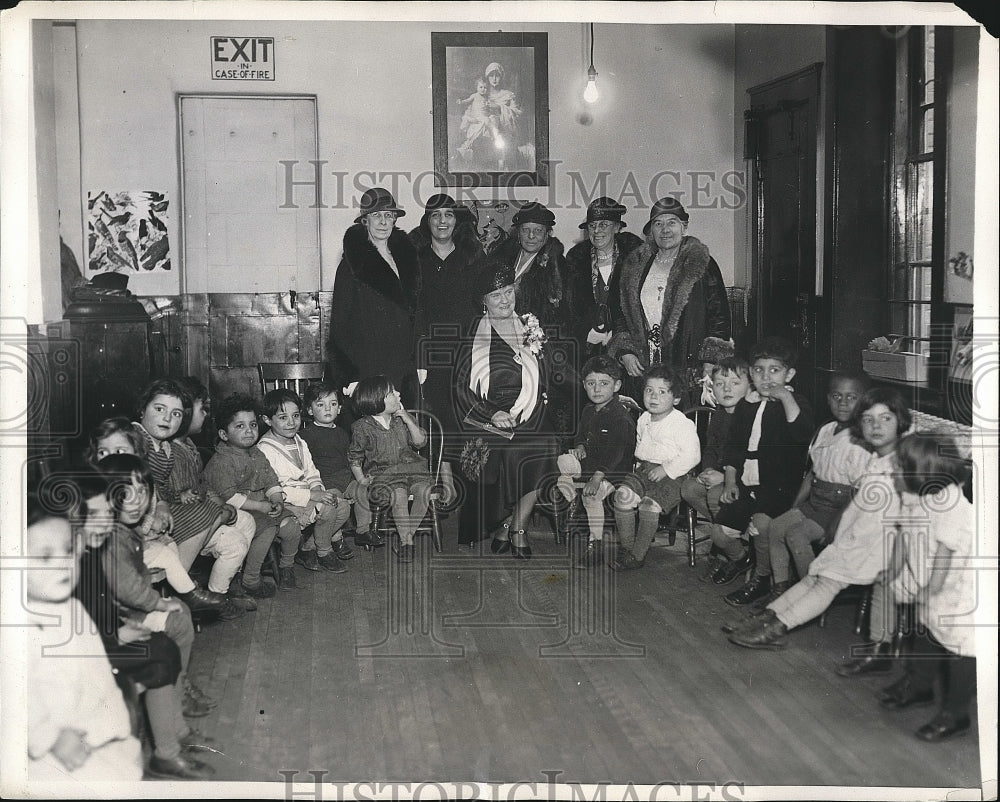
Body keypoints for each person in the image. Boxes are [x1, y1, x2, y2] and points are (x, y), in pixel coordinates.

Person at [725, 389, 911, 652]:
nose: (875, 426)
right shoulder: (878, 458)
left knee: (826, 580)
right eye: (868, 419)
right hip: (863, 536)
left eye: (885, 419)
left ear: (901, 421)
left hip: (890, 545)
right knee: (815, 575)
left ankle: (776, 627)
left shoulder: (902, 461)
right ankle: (766, 618)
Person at [90, 454, 217, 779]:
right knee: (171, 631)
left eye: (142, 491)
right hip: (113, 623)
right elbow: (126, 586)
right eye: (124, 493)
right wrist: (157, 603)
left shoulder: (124, 530)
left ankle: (176, 727)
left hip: (121, 615)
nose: (136, 501)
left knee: (181, 619)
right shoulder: (112, 535)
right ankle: (169, 746)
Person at [24, 485, 144, 782]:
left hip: (97, 732)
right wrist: (50, 737)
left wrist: (119, 730)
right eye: (44, 557)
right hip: (50, 753)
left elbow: (100, 674)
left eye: (68, 550)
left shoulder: (74, 609)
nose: (64, 563)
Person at [455, 261, 559, 557]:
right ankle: (511, 526)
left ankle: (515, 527)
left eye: (508, 292)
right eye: (496, 295)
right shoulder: (472, 332)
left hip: (530, 412)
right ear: (484, 302)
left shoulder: (530, 326)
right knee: (514, 450)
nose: (504, 300)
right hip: (487, 417)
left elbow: (552, 372)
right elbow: (461, 387)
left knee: (545, 444)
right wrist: (492, 414)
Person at [878, 433, 976, 742]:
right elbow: (908, 533)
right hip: (939, 581)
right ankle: (919, 687)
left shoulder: (951, 505)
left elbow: (946, 554)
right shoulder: (923, 495)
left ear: (923, 474)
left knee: (960, 645)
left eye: (899, 468)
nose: (894, 473)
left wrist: (929, 590)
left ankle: (956, 713)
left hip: (962, 586)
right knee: (929, 629)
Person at [85, 416, 231, 616]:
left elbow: (144, 512)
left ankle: (176, 589)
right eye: (103, 452)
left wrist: (151, 526)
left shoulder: (137, 480)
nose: (112, 457)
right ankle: (188, 594)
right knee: (165, 554)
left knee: (169, 545)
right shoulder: (98, 487)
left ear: (136, 453)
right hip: (109, 555)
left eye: (119, 451)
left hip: (133, 543)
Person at [712, 337, 814, 607]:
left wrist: (785, 397)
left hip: (779, 485)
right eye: (759, 370)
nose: (766, 376)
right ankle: (741, 559)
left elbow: (802, 433)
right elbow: (734, 445)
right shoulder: (748, 403)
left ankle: (761, 578)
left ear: (789, 374)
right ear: (751, 374)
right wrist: (731, 479)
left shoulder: (797, 403)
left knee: (761, 524)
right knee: (720, 533)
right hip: (747, 481)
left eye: (775, 370)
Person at [765, 371, 873, 602]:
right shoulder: (826, 430)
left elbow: (862, 494)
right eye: (836, 396)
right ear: (828, 399)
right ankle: (781, 588)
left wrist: (839, 525)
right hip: (815, 500)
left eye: (851, 397)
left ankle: (810, 595)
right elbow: (811, 474)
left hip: (842, 508)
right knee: (776, 527)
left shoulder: (861, 440)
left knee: (796, 535)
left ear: (864, 400)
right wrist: (795, 507)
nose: (843, 403)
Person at [608, 197, 731, 400]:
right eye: (658, 223)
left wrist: (710, 361)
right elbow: (621, 312)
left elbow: (719, 317)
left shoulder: (701, 264)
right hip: (644, 363)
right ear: (651, 231)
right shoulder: (634, 265)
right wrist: (625, 352)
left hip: (687, 362)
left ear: (684, 228)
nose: (665, 229)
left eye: (671, 222)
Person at [330, 188, 422, 407]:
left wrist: (421, 361)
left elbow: (420, 311)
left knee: (406, 429)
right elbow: (340, 325)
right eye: (376, 215)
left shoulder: (408, 259)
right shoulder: (350, 265)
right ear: (365, 221)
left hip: (403, 364)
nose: (383, 222)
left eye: (389, 215)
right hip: (368, 364)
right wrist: (350, 376)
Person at [203, 394, 300, 597]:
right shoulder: (221, 461)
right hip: (233, 514)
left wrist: (276, 500)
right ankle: (250, 579)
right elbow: (230, 498)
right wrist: (261, 507)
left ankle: (287, 565)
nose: (249, 431)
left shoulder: (257, 454)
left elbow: (271, 480)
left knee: (291, 525)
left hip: (260, 507)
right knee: (267, 529)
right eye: (240, 426)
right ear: (223, 434)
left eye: (253, 425)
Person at [611, 363, 700, 571]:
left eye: (662, 392)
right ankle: (627, 547)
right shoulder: (643, 419)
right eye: (649, 390)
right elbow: (642, 444)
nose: (654, 396)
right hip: (644, 470)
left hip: (673, 474)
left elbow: (692, 455)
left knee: (649, 506)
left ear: (676, 398)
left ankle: (637, 555)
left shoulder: (681, 423)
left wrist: (666, 469)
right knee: (621, 496)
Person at [257, 389, 351, 583]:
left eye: (296, 416)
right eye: (283, 417)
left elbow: (311, 471)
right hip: (287, 502)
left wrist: (317, 488)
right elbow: (273, 489)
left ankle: (310, 547)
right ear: (267, 420)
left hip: (308, 495)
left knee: (342, 506)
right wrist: (311, 496)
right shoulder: (265, 449)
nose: (291, 422)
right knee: (326, 507)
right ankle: (324, 551)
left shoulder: (299, 440)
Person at [409, 193, 482, 443]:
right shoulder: (416, 260)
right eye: (435, 215)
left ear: (456, 221)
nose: (442, 221)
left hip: (467, 350)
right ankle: (445, 478)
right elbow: (414, 312)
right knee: (437, 416)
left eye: (448, 214)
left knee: (468, 414)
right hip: (432, 354)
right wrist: (420, 357)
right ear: (426, 221)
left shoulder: (472, 258)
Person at [131, 379, 226, 569]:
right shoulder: (134, 437)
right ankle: (181, 582)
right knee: (203, 512)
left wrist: (164, 503)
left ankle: (180, 579)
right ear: (142, 410)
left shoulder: (165, 446)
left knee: (210, 511)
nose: (167, 418)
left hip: (151, 512)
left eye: (176, 414)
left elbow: (161, 485)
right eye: (159, 409)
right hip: (130, 517)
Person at [555, 355, 637, 568]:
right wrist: (581, 446)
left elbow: (615, 455)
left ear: (617, 385)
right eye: (591, 384)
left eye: (604, 383)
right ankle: (572, 493)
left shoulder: (620, 417)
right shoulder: (588, 410)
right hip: (589, 464)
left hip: (615, 472)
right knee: (560, 461)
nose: (597, 389)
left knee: (592, 496)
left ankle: (596, 543)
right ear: (584, 385)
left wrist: (596, 479)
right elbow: (581, 435)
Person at [679, 356, 754, 581]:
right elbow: (711, 448)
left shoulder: (750, 417)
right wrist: (708, 470)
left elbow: (749, 458)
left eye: (734, 383)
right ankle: (733, 542)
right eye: (720, 384)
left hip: (743, 480)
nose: (726, 389)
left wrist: (723, 476)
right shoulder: (720, 414)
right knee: (689, 489)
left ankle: (727, 553)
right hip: (720, 475)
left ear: (749, 385)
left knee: (716, 495)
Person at [347, 376, 432, 563]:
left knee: (425, 492)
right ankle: (406, 542)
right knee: (399, 495)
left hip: (412, 469)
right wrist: (361, 480)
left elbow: (420, 442)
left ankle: (405, 537)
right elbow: (355, 457)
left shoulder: (401, 419)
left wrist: (409, 421)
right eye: (392, 393)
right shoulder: (362, 427)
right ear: (377, 399)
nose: (398, 394)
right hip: (384, 474)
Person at [563, 197, 643, 362]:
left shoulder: (636, 261)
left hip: (626, 352)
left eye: (603, 225)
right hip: (585, 350)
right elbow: (567, 311)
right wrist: (584, 333)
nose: (597, 231)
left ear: (616, 227)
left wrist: (621, 336)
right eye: (592, 226)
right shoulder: (575, 263)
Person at [299, 381, 359, 557]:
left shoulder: (342, 433)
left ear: (339, 408)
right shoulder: (306, 435)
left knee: (364, 492)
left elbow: (347, 459)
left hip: (345, 479)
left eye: (333, 404)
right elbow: (306, 468)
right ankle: (334, 538)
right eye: (320, 404)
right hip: (324, 483)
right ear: (310, 410)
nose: (328, 409)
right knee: (334, 501)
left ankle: (361, 531)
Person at [484, 61, 524, 171]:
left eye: (497, 75)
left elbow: (516, 113)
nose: (494, 78)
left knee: (504, 151)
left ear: (501, 77)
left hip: (506, 131)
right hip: (487, 132)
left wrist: (499, 107)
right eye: (491, 75)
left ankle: (504, 165)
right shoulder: (483, 94)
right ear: (487, 78)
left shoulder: (508, 95)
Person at [456, 77, 501, 159]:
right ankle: (495, 133)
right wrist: (461, 102)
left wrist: (489, 106)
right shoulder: (474, 96)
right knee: (486, 120)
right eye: (481, 87)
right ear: (476, 88)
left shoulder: (486, 98)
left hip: (484, 115)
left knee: (491, 118)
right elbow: (467, 101)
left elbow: (490, 109)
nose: (483, 89)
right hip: (476, 116)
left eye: (485, 87)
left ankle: (493, 134)